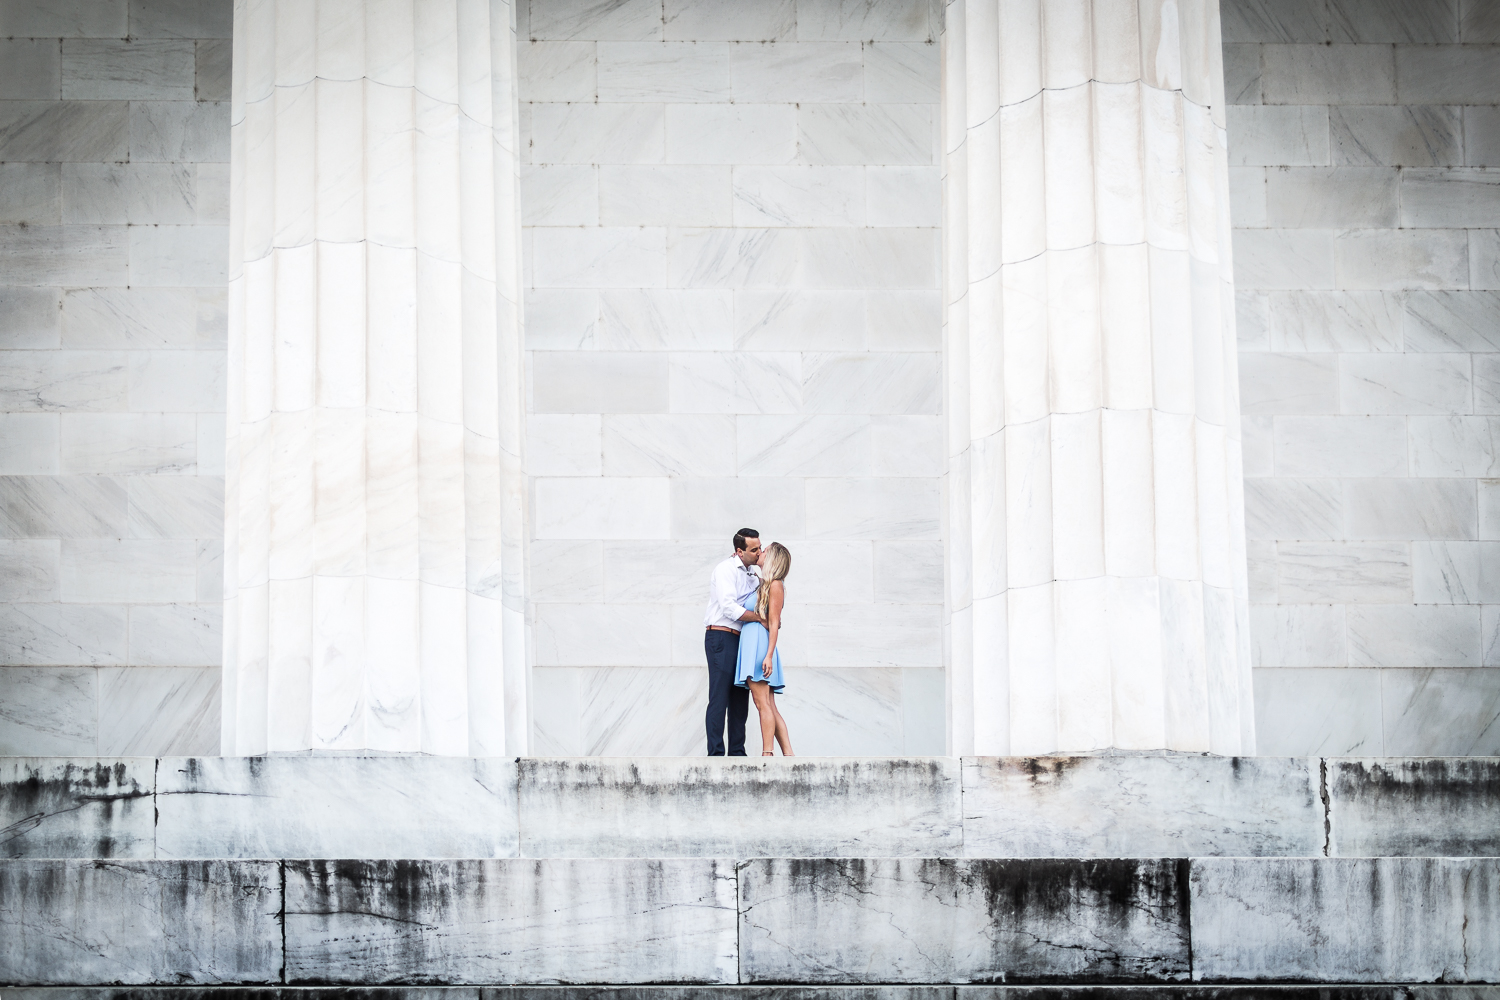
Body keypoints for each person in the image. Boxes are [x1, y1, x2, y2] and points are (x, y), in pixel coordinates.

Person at [703, 528, 764, 756]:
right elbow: (728, 607)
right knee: (719, 696)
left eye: (760, 547)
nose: (759, 552)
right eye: (754, 549)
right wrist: (760, 618)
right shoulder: (725, 569)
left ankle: (738, 752)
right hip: (721, 636)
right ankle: (716, 754)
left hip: (742, 639)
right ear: (739, 551)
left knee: (740, 697)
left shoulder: (752, 575)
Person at [736, 541, 793, 756]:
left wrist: (768, 655)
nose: (761, 552)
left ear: (773, 559)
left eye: (765, 550)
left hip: (760, 645)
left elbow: (774, 623)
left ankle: (767, 753)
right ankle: (788, 754)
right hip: (754, 643)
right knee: (768, 704)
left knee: (762, 703)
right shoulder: (764, 584)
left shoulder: (776, 585)